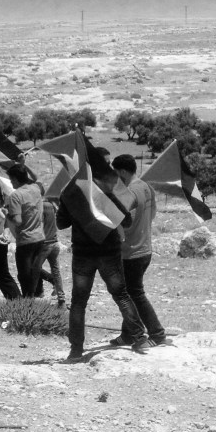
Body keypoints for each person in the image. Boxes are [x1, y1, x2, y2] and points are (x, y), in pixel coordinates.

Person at [56, 175, 149, 361]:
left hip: (83, 254)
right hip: (109, 252)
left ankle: (76, 350)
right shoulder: (108, 188)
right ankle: (139, 338)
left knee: (78, 302)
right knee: (121, 295)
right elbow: (127, 221)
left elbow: (61, 223)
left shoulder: (70, 191)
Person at [107, 154, 165, 346]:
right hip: (145, 249)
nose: (116, 177)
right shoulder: (146, 187)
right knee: (130, 294)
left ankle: (157, 334)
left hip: (131, 252)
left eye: (116, 173)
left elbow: (119, 218)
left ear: (123, 171)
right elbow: (153, 213)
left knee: (134, 295)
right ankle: (128, 334)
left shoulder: (129, 192)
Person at [4, 163, 47, 296]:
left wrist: (6, 214)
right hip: (40, 236)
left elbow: (17, 221)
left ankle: (28, 302)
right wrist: (24, 164)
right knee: (35, 270)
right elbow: (37, 177)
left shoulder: (16, 196)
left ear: (16, 179)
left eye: (11, 180)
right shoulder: (36, 189)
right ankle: (38, 294)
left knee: (24, 275)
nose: (11, 183)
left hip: (25, 239)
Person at [38, 196, 66, 306]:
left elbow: (40, 225)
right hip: (55, 242)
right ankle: (62, 300)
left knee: (34, 269)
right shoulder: (51, 205)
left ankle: (36, 295)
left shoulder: (40, 206)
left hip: (45, 243)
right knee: (56, 270)